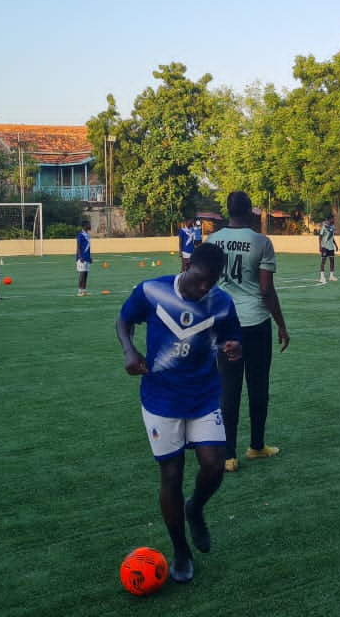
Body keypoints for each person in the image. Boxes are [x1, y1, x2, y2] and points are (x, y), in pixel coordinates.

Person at [116, 242, 243, 584]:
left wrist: (234, 346)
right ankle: (180, 550)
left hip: (203, 395)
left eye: (212, 282)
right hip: (161, 398)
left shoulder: (221, 302)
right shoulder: (152, 291)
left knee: (215, 465)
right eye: (200, 279)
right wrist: (130, 351)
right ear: (187, 265)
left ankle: (195, 507)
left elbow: (233, 334)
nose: (204, 288)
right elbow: (124, 320)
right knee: (171, 475)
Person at [205, 191, 290, 473]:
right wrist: (280, 323)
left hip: (224, 323)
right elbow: (265, 290)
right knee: (258, 384)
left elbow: (203, 284)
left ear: (227, 210)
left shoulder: (213, 241)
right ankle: (256, 446)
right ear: (250, 211)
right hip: (255, 322)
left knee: (228, 388)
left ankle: (228, 455)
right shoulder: (261, 242)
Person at [318, 214, 338, 284]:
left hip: (331, 247)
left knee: (332, 261)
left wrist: (336, 245)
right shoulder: (324, 227)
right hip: (324, 247)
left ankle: (331, 276)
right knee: (323, 261)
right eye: (333, 219)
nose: (334, 220)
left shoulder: (333, 226)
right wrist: (320, 246)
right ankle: (322, 277)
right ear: (329, 219)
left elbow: (332, 237)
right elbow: (320, 237)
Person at [76, 219, 92, 297]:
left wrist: (89, 257)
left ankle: (84, 291)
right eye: (89, 224)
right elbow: (78, 247)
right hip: (81, 258)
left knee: (86, 274)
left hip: (87, 258)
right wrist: (80, 257)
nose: (90, 226)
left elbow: (88, 247)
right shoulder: (80, 235)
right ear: (85, 226)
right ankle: (79, 291)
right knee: (82, 274)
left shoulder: (88, 235)